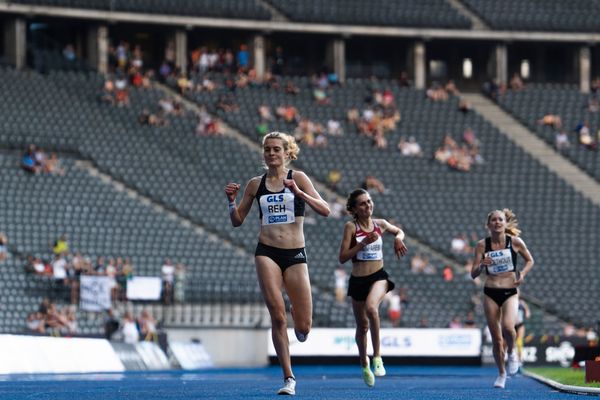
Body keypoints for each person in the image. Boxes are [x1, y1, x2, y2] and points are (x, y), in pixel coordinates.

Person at [224, 131, 330, 395]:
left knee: (303, 327)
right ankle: (288, 378)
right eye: (267, 149)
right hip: (266, 252)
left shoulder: (299, 178)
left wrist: (299, 193)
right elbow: (237, 221)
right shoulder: (254, 184)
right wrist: (230, 202)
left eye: (276, 149)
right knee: (277, 315)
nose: (271, 153)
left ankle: (299, 314)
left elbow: (325, 209)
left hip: (295, 254)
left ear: (287, 153)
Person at [338, 188, 408, 387]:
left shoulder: (381, 224)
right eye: (362, 203)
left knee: (371, 308)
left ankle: (377, 357)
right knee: (362, 326)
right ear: (354, 209)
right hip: (358, 279)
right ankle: (364, 363)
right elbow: (342, 258)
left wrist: (398, 238)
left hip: (378, 276)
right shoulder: (351, 227)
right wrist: (361, 245)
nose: (367, 206)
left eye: (369, 201)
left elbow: (399, 230)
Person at [471, 209, 534, 389]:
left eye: (501, 219)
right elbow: (473, 274)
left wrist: (522, 273)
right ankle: (501, 373)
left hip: (510, 292)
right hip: (490, 292)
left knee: (508, 327)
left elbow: (530, 260)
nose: (497, 222)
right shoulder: (482, 245)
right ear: (488, 224)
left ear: (505, 223)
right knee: (497, 339)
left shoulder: (514, 242)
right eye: (494, 220)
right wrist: (481, 265)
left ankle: (513, 353)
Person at [515, 298, 531, 369]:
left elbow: (527, 315)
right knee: (512, 342)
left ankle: (520, 359)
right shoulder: (510, 302)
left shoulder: (522, 304)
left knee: (519, 341)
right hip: (512, 324)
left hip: (520, 324)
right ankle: (513, 359)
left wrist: (526, 307)